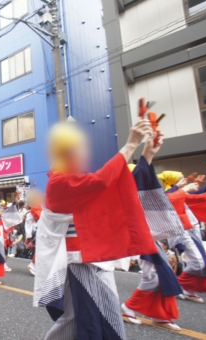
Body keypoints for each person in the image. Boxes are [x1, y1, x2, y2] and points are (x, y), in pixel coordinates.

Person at [34, 119, 158, 340]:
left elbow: (119, 187)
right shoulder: (59, 183)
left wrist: (146, 154)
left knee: (96, 317)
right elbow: (102, 181)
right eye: (79, 148)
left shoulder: (75, 180)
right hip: (81, 262)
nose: (84, 153)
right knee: (89, 318)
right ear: (66, 152)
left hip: (94, 258)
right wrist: (130, 145)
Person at [120, 133, 185, 331]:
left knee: (163, 274)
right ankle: (128, 307)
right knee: (154, 276)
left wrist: (149, 152)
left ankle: (160, 314)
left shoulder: (137, 194)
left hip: (148, 236)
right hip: (138, 237)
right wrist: (147, 152)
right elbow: (140, 174)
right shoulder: (124, 192)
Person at [159, 171, 206, 302]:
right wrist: (184, 188)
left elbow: (201, 197)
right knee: (198, 262)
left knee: (200, 262)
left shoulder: (180, 193)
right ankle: (178, 285)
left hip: (191, 230)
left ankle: (188, 289)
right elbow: (169, 198)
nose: (185, 180)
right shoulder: (168, 195)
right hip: (180, 233)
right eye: (180, 179)